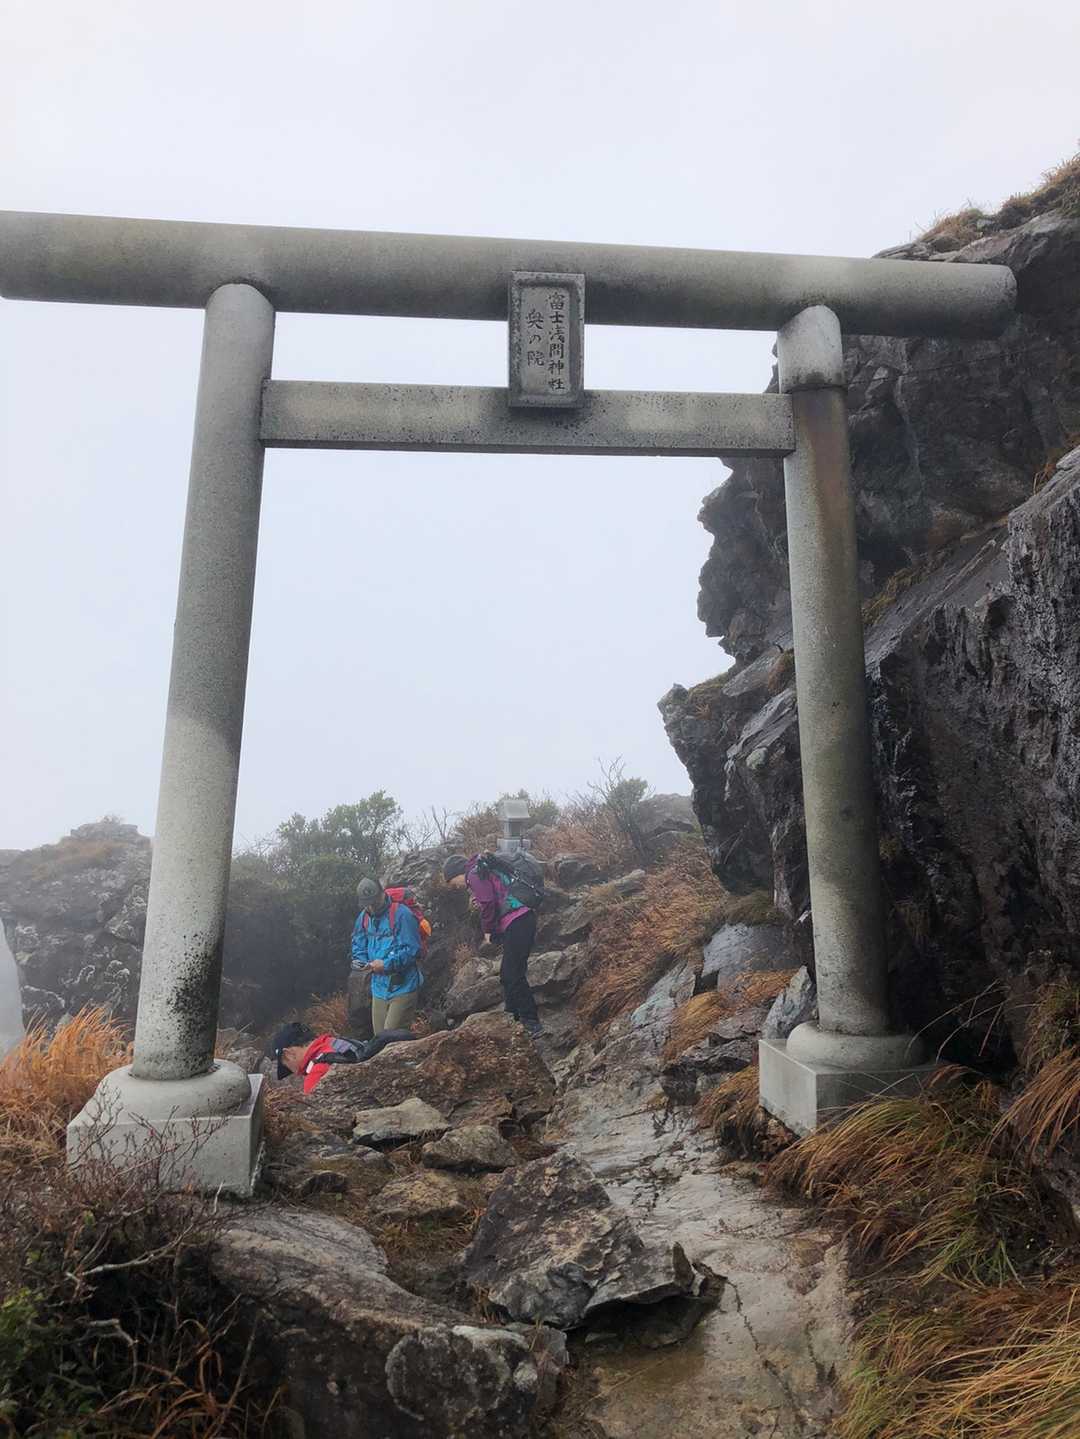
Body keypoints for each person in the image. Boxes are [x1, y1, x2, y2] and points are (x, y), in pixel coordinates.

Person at [442, 853, 541, 1037]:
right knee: (508, 973)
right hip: (522, 918)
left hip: (517, 921)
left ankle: (531, 1022)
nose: (457, 886)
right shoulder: (482, 870)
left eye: (453, 882)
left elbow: (488, 903)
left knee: (512, 974)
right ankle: (511, 1017)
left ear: (456, 873)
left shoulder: (473, 874)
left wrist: (487, 930)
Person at [350, 876, 423, 1035]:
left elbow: (413, 950)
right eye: (368, 904)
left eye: (374, 902)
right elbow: (358, 944)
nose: (372, 907)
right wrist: (362, 962)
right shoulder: (363, 917)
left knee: (391, 1039)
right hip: (379, 988)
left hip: (403, 986)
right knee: (379, 1039)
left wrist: (386, 964)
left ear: (383, 893)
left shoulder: (402, 914)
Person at [268, 1020, 415, 1093]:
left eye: (286, 1066)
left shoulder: (316, 1074)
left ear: (289, 1054)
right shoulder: (337, 1043)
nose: (295, 1073)